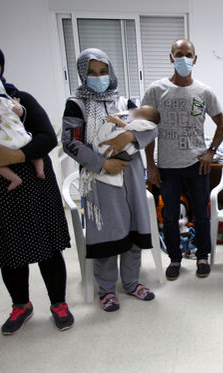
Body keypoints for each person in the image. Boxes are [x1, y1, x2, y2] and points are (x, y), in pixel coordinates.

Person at [0, 38, 72, 334]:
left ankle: (58, 303)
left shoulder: (19, 98)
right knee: (10, 252)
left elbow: (48, 137)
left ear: (1, 66)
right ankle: (21, 305)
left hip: (35, 186)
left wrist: (18, 154)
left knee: (48, 250)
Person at [62, 48, 157, 312]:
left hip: (132, 177)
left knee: (134, 231)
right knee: (106, 233)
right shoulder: (76, 103)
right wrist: (103, 163)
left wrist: (130, 137)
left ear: (110, 72)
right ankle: (106, 289)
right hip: (100, 180)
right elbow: (70, 142)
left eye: (103, 71)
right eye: (91, 73)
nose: (98, 77)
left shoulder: (126, 102)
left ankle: (131, 282)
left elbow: (152, 128)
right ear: (83, 74)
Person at [143, 39, 223, 280]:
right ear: (171, 57)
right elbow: (146, 129)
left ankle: (202, 256)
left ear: (195, 59)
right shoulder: (156, 90)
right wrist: (150, 165)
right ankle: (175, 259)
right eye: (178, 54)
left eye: (188, 54)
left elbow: (222, 125)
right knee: (169, 216)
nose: (183, 59)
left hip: (197, 164)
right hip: (167, 166)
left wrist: (211, 151)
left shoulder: (204, 91)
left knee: (201, 213)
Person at [94, 106, 160, 187]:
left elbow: (153, 131)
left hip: (129, 166)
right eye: (140, 109)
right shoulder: (79, 104)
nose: (138, 111)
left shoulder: (143, 122)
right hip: (100, 157)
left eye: (142, 113)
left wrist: (130, 136)